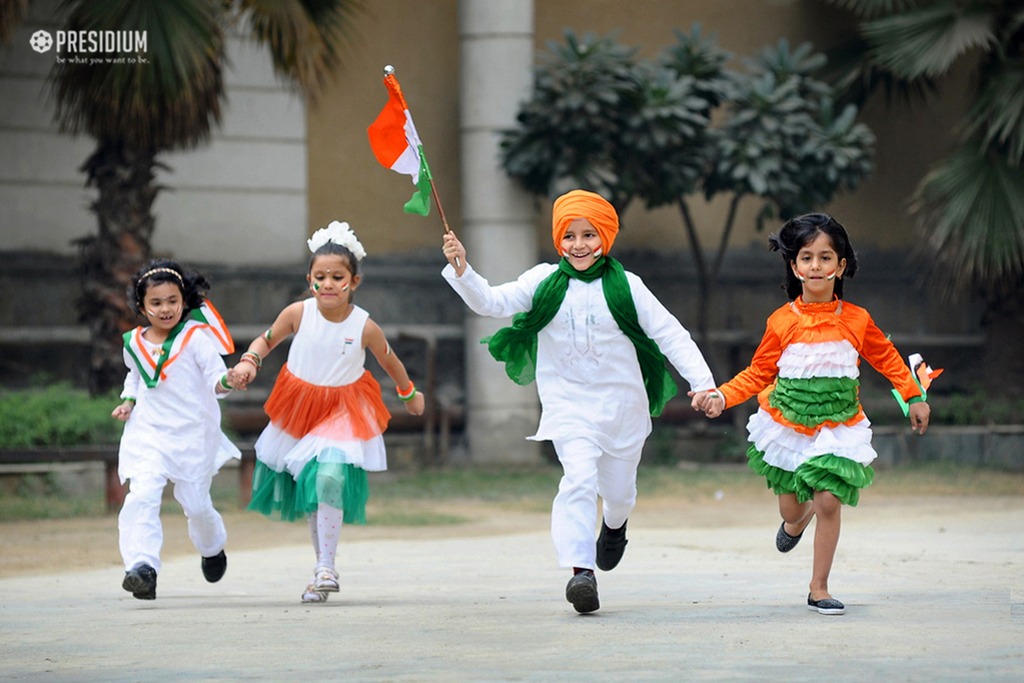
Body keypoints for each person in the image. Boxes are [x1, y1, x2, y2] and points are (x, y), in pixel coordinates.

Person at [441, 189, 716, 614]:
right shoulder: (542, 282)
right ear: (558, 240)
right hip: (568, 405)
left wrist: (703, 383)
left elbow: (670, 334)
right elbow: (491, 302)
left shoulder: (628, 286)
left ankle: (615, 526)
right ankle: (580, 573)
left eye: (589, 234)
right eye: (569, 236)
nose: (579, 244)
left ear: (605, 237)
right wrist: (463, 269)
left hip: (623, 408)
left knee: (619, 494)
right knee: (579, 480)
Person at [691, 213, 931, 616]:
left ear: (840, 266)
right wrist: (721, 396)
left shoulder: (857, 319)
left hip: (837, 427)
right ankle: (794, 525)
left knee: (829, 501)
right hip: (787, 427)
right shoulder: (781, 321)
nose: (816, 266)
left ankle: (819, 587)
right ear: (794, 265)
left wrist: (914, 396)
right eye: (807, 257)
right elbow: (758, 372)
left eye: (825, 257)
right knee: (792, 509)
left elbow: (887, 359)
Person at [231, 221, 425, 603]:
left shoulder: (364, 325)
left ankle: (325, 567)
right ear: (310, 280)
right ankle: (322, 566)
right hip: (298, 407)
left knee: (330, 477)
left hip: (343, 409)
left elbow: (390, 361)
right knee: (312, 483)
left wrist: (409, 392)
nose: (329, 284)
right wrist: (249, 362)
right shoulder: (298, 313)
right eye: (320, 277)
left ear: (354, 281)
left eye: (338, 277)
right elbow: (266, 341)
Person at [113, 259, 240, 600]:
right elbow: (137, 377)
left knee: (196, 505)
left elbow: (216, 378)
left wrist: (229, 379)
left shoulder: (196, 338)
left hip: (192, 435)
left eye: (172, 301)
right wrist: (128, 401)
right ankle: (143, 567)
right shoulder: (133, 342)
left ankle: (212, 548)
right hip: (148, 434)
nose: (165, 309)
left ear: (183, 301)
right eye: (156, 303)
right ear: (142, 307)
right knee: (142, 496)